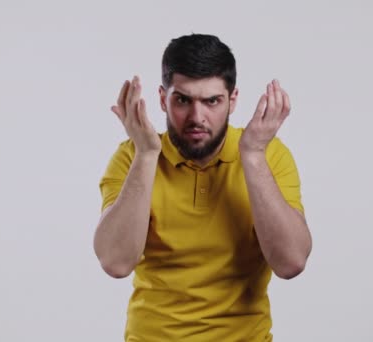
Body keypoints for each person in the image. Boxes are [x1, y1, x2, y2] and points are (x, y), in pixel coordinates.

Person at [94, 33, 312, 341]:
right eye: (182, 100)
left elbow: (291, 262)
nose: (197, 118)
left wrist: (252, 155)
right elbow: (115, 262)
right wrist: (146, 154)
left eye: (212, 101)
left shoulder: (268, 155)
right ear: (161, 98)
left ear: (232, 99)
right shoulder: (132, 156)